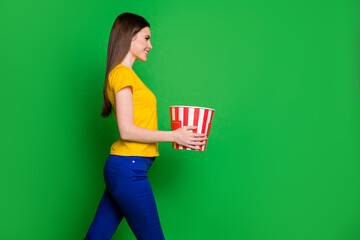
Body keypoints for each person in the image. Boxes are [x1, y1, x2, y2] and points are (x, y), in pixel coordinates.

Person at [84, 12, 208, 240]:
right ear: (129, 38)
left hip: (122, 168)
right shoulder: (122, 75)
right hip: (129, 168)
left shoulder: (125, 75)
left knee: (98, 236)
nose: (151, 45)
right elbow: (127, 130)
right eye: (146, 38)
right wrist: (174, 136)